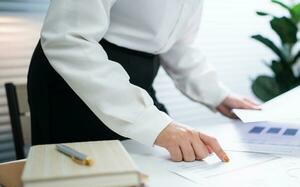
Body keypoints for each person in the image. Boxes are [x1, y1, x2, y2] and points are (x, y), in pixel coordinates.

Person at [27, 0, 259, 162]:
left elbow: (177, 43)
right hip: (78, 79)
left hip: (138, 78)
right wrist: (152, 123)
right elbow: (68, 37)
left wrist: (218, 95)